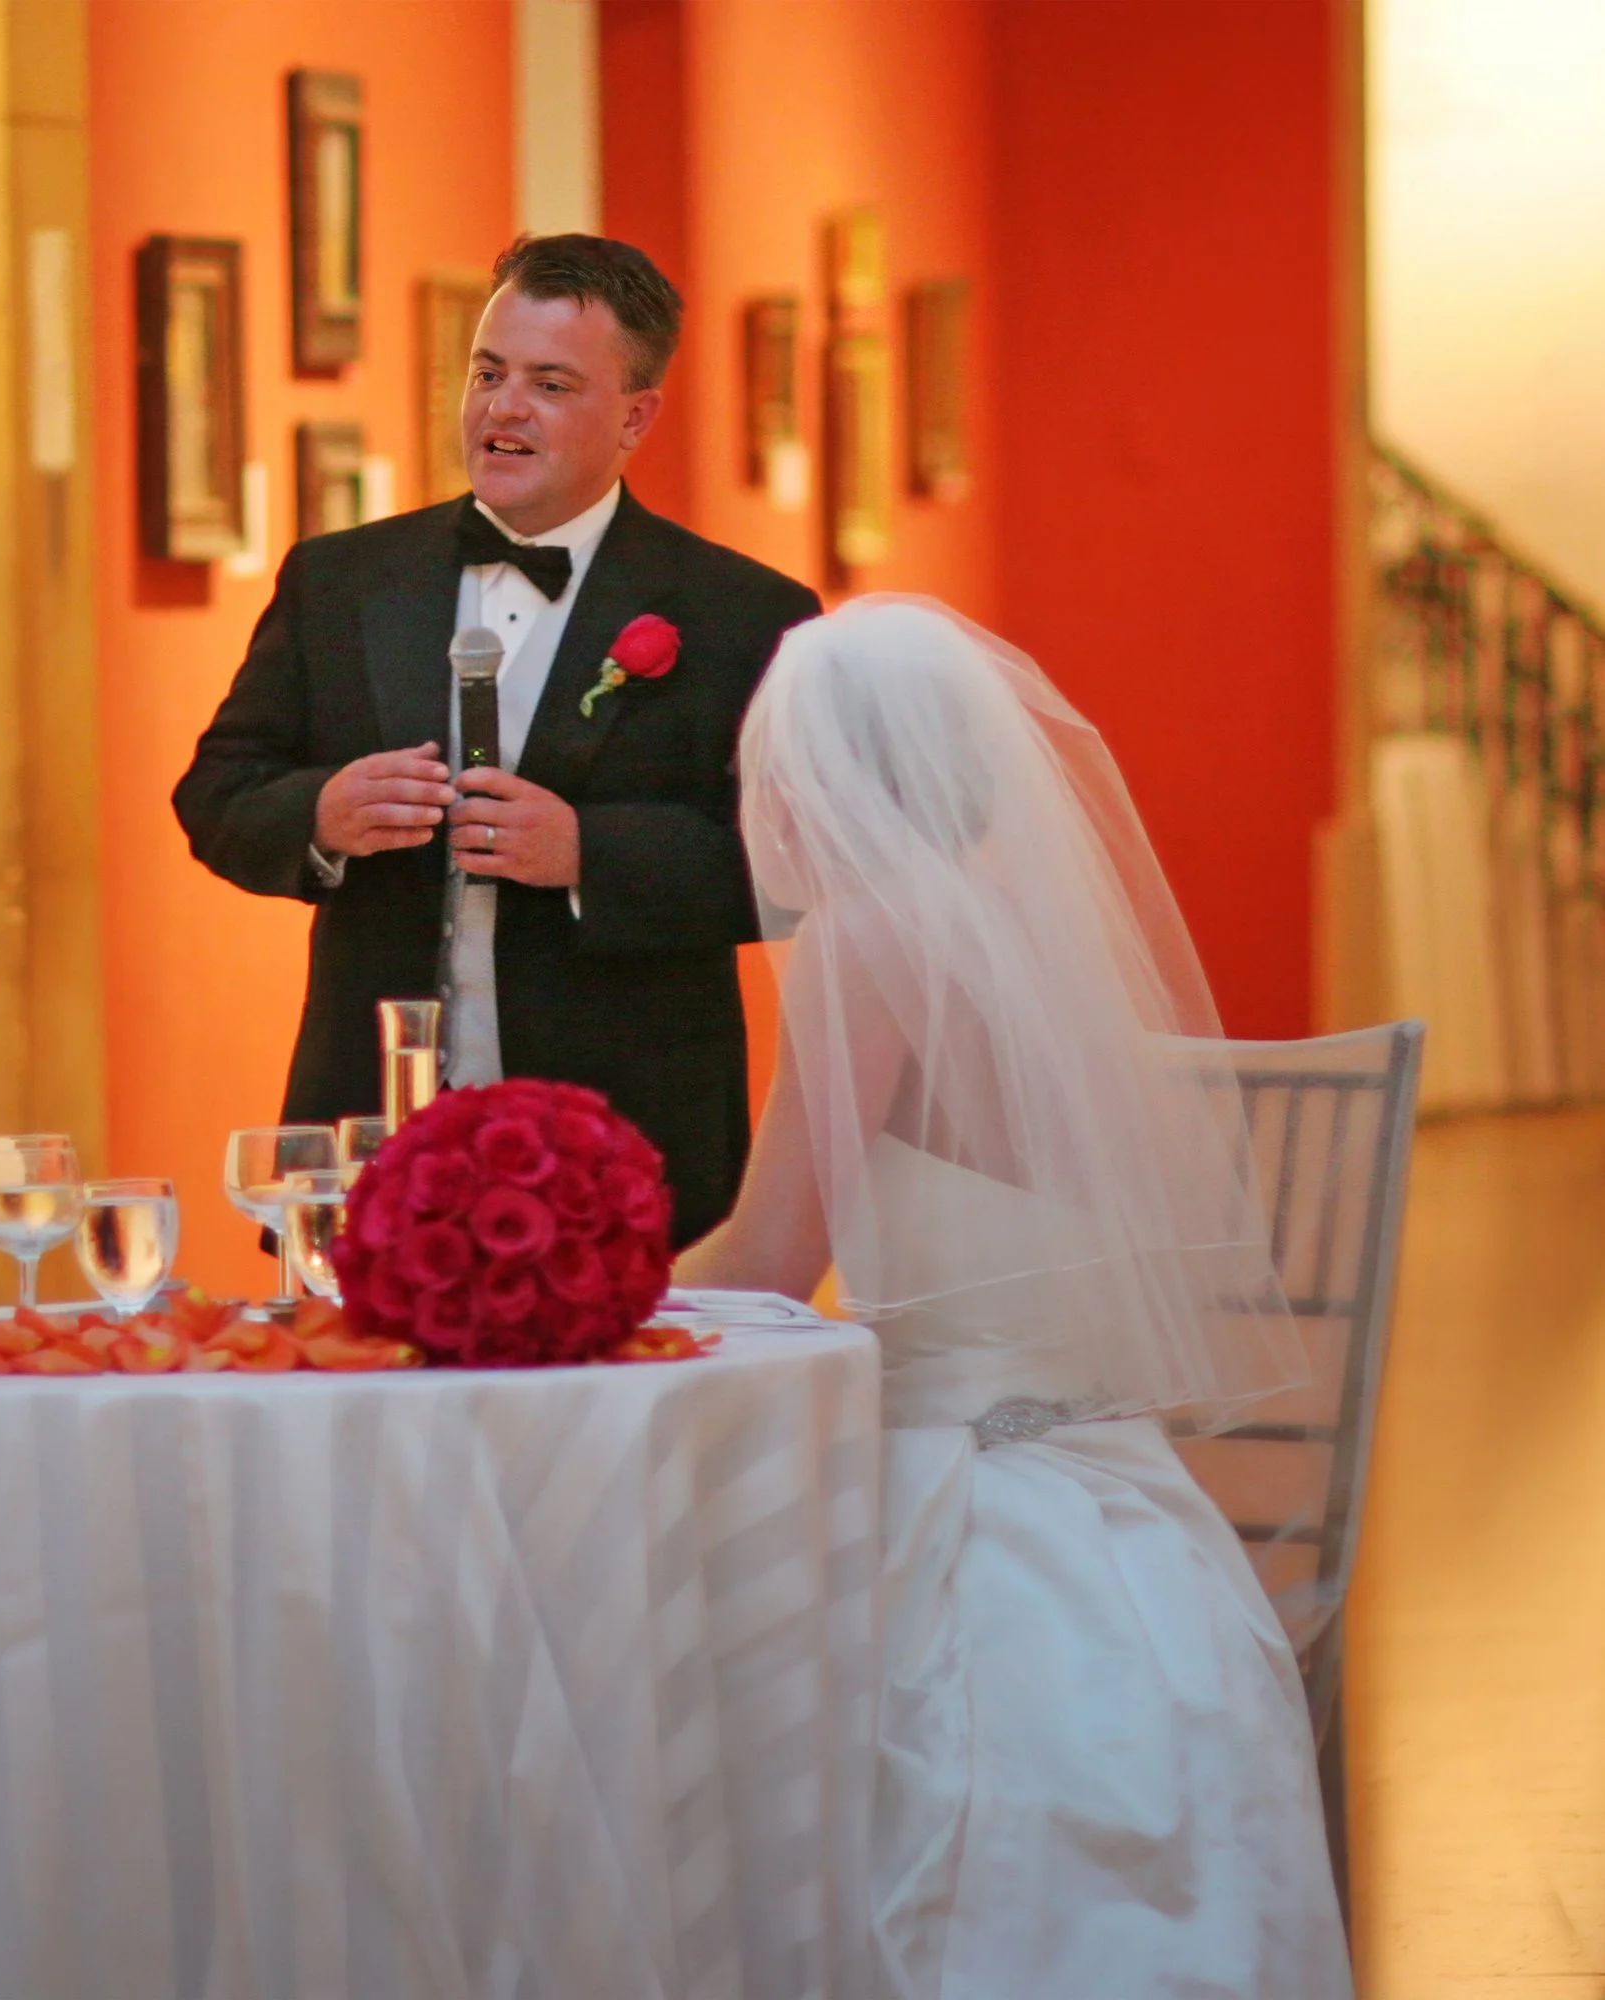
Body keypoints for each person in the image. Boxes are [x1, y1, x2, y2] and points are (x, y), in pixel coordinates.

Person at [676, 596, 1352, 1996]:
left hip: (962, 1503)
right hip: (1118, 1492)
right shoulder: (1011, 927)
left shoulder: (862, 938)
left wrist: (574, 1293)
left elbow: (769, 1260)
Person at [173, 233, 820, 1246]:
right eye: (487, 373)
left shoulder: (744, 613)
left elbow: (805, 863)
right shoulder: (340, 579)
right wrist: (323, 815)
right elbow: (215, 793)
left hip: (629, 1138)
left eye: (549, 384)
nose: (502, 409)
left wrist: (588, 854)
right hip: (371, 1135)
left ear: (635, 416)